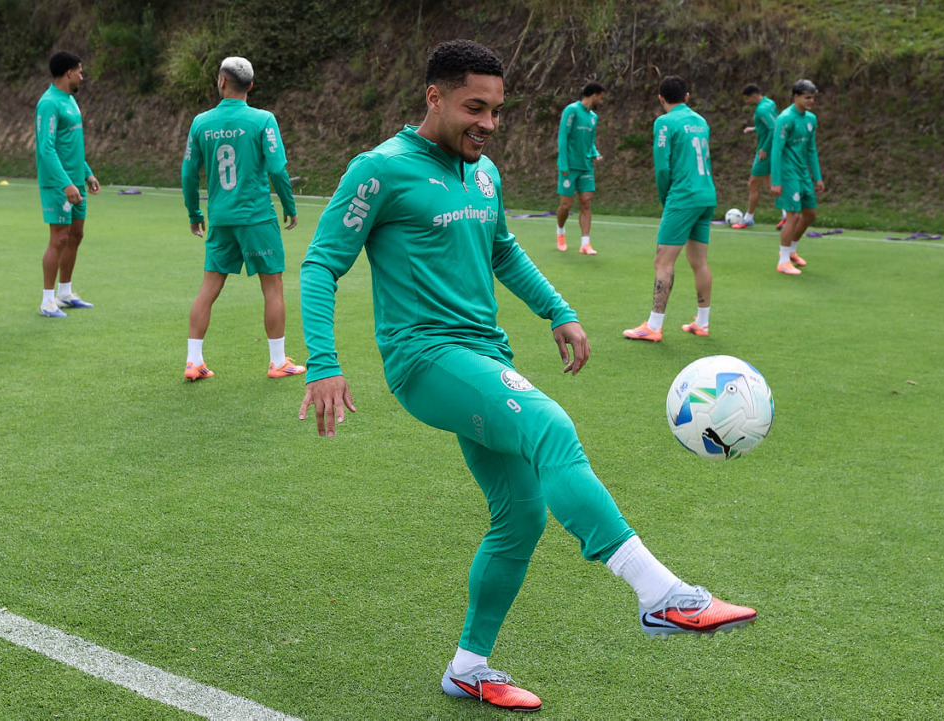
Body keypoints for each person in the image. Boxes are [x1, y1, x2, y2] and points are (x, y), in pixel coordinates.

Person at [297, 41, 756, 712]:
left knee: (519, 517)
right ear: (434, 98)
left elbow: (503, 249)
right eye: (474, 108)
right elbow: (319, 265)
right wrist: (324, 362)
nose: (488, 123)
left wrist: (558, 310)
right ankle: (662, 596)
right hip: (424, 361)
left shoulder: (485, 175)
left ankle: (468, 665)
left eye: (497, 111)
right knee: (549, 427)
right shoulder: (380, 170)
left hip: (484, 355)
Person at [180, 57, 303, 381]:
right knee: (273, 288)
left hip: (220, 219)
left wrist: (194, 213)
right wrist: (288, 204)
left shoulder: (200, 123)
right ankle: (277, 362)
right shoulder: (263, 120)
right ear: (250, 86)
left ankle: (194, 361)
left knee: (208, 289)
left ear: (221, 82)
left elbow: (188, 173)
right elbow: (276, 168)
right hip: (256, 218)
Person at [622, 76, 717, 341]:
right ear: (687, 97)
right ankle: (703, 322)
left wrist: (667, 199)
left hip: (683, 196)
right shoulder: (701, 121)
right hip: (706, 194)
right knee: (699, 262)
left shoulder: (664, 122)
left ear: (661, 99)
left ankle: (653, 325)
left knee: (663, 261)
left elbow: (663, 167)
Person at [36, 50, 100, 318]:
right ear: (68, 73)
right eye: (80, 72)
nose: (83, 77)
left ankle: (65, 293)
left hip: (75, 181)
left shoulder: (71, 101)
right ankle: (47, 300)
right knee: (59, 238)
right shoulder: (48, 103)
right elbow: (46, 149)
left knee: (76, 236)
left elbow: (72, 145)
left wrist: (87, 173)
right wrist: (65, 184)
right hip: (58, 184)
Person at [770, 79, 824, 275]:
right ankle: (783, 261)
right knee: (793, 215)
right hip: (787, 173)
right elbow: (776, 150)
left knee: (810, 214)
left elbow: (811, 149)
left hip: (802, 173)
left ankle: (791, 251)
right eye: (807, 97)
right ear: (796, 97)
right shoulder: (785, 119)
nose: (811, 101)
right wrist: (776, 181)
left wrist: (817, 177)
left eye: (813, 98)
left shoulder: (811, 119)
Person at [555, 81, 605, 254]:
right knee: (566, 205)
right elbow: (563, 137)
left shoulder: (593, 117)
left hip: (586, 167)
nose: (602, 101)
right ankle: (560, 232)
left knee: (586, 202)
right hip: (570, 166)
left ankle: (585, 243)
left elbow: (590, 142)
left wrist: (595, 153)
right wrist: (563, 163)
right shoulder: (571, 110)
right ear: (594, 95)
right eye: (601, 97)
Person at [732, 83, 778, 229]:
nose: (746, 102)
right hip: (773, 149)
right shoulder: (770, 103)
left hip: (765, 151)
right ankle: (787, 216)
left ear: (753, 96)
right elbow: (772, 123)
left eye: (747, 99)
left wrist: (764, 148)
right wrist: (754, 128)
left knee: (753, 184)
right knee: (770, 185)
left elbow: (773, 128)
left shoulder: (761, 110)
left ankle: (748, 218)